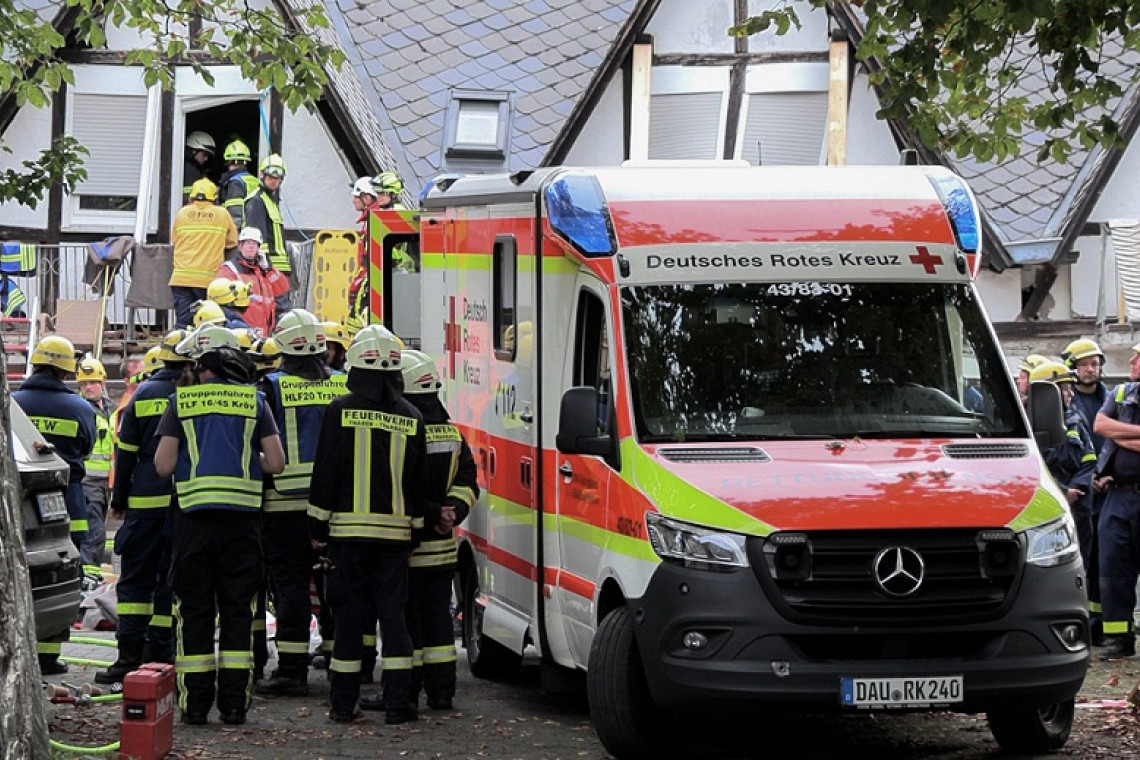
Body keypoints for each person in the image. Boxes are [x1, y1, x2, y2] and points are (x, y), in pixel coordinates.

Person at [154, 324, 284, 725]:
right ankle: (234, 705)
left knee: (193, 612)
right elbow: (276, 463)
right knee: (238, 613)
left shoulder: (181, 402)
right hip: (242, 525)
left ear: (204, 366)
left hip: (193, 524)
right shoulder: (255, 402)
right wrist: (245, 461)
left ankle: (194, 707)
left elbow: (163, 466)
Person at [308, 325, 430, 724]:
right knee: (394, 621)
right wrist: (414, 531)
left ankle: (344, 706)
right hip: (395, 540)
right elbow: (418, 484)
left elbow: (326, 471)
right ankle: (398, 704)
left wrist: (317, 527)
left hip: (347, 538)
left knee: (348, 621)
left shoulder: (339, 411)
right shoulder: (412, 416)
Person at [254, 310, 347, 698]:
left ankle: (292, 670)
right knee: (334, 584)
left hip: (283, 505)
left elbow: (259, 442)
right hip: (337, 506)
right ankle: (341, 662)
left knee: (290, 585)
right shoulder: (343, 384)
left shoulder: (270, 387)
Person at [380, 349, 477, 713]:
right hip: (442, 550)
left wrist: (432, 514)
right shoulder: (453, 434)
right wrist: (452, 512)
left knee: (406, 622)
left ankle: (406, 692)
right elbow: (468, 482)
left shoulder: (403, 429)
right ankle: (441, 693)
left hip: (406, 547)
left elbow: (402, 486)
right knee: (438, 621)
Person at [96, 330, 191, 685]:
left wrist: (119, 499)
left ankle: (128, 656)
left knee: (136, 581)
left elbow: (126, 453)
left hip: (145, 504)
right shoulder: (195, 393)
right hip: (183, 502)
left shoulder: (143, 394)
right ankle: (162, 654)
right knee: (169, 582)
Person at [13, 336, 96, 675]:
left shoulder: (13, 403)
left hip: (18, 496)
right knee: (63, 570)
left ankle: (20, 651)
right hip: (67, 496)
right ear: (67, 369)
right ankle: (48, 656)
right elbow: (87, 447)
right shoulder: (80, 408)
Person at [1062, 337, 1112, 645]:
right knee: (1082, 559)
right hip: (1080, 494)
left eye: (1095, 364)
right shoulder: (1066, 402)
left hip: (1109, 490)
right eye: (1084, 365)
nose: (1091, 370)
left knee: (1104, 562)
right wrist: (1087, 478)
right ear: (1072, 368)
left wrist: (1106, 474)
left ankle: (1100, 624)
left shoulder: (1111, 399)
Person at [1094, 341, 1140, 660]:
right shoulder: (1122, 392)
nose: (1132, 360)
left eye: (1139, 357)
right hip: (1118, 494)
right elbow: (1100, 425)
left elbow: (1110, 429)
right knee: (1113, 567)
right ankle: (1118, 639)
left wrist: (1119, 434)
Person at [170, 178, 238, 328]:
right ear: (214, 197)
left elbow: (174, 240)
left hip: (181, 279)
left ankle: (180, 342)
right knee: (209, 323)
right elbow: (232, 241)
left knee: (184, 323)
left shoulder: (182, 213)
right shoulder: (222, 214)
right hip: (208, 280)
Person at [347, 171, 408, 331]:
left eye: (382, 193)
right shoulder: (381, 213)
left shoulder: (396, 214)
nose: (378, 196)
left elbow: (393, 252)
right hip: (380, 272)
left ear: (393, 194)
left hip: (390, 273)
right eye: (378, 192)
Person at [76, 356, 114, 581]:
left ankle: (91, 574)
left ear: (103, 382)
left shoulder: (113, 409)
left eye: (92, 382)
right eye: (84, 383)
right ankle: (89, 576)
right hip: (88, 480)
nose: (88, 387)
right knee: (94, 531)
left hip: (107, 481)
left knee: (98, 529)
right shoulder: (80, 409)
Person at [216, 226, 290, 336]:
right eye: (248, 243)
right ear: (240, 246)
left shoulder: (263, 271)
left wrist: (269, 269)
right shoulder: (229, 269)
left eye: (254, 244)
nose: (251, 247)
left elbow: (283, 288)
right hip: (241, 333)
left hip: (264, 334)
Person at [243, 154, 291, 277]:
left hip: (279, 269)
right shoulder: (257, 201)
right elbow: (255, 237)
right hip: (266, 269)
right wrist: (263, 266)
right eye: (270, 176)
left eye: (277, 178)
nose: (274, 181)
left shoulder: (271, 201)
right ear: (262, 175)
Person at [217, 139, 259, 229]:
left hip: (240, 231)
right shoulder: (254, 180)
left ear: (228, 161)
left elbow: (235, 215)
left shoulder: (235, 183)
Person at [183, 131, 216, 203]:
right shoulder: (191, 171)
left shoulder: (190, 169)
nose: (206, 158)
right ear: (194, 151)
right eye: (204, 154)